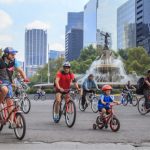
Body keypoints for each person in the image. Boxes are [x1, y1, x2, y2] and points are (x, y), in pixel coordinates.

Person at [0, 47, 29, 128]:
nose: (14, 55)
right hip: (1, 82)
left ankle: (12, 122)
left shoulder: (14, 61)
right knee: (4, 90)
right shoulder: (0, 61)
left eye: (14, 54)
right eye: (12, 54)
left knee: (10, 103)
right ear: (6, 54)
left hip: (8, 83)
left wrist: (25, 79)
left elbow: (20, 70)